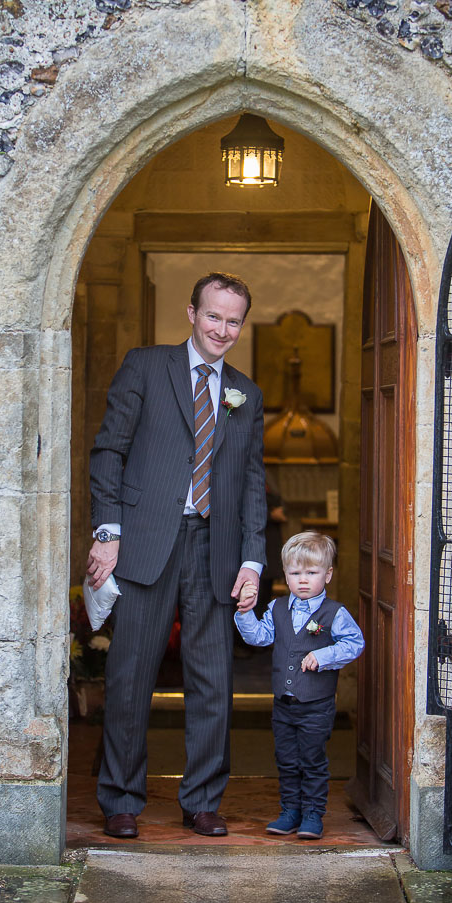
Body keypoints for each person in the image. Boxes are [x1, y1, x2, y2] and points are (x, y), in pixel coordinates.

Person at [87, 272, 266, 839]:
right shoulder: (145, 366)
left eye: (233, 321)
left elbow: (253, 482)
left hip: (216, 548)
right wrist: (107, 532)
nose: (222, 330)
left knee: (213, 682)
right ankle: (120, 799)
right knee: (130, 675)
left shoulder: (246, 393)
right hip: (146, 541)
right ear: (192, 313)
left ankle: (203, 800)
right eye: (213, 316)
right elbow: (108, 451)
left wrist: (253, 560)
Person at [235, 531, 364, 840]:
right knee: (287, 760)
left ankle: (312, 814)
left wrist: (323, 655)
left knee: (312, 760)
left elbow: (355, 643)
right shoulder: (277, 608)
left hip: (316, 706)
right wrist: (245, 612)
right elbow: (259, 637)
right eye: (295, 573)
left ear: (327, 575)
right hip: (283, 705)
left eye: (311, 573)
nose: (303, 580)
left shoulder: (334, 613)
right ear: (285, 574)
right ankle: (290, 811)